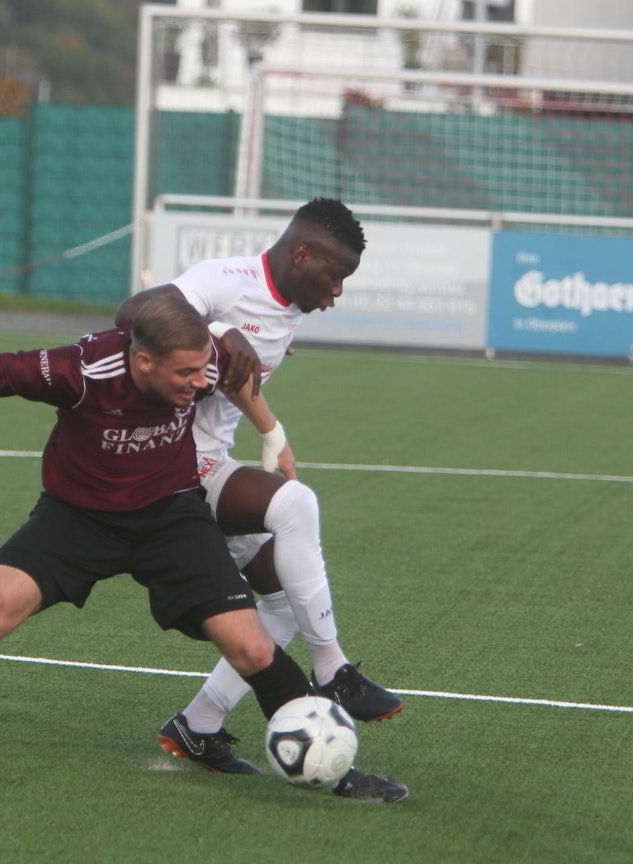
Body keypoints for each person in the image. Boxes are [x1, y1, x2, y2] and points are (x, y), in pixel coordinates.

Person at [0, 293, 407, 802]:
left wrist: (272, 432)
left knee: (253, 647)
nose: (198, 383)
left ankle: (338, 773)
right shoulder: (82, 369)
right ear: (143, 361)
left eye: (202, 369)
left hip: (171, 518)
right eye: (185, 373)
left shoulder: (204, 359)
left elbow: (233, 377)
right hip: (77, 519)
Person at [115, 198, 403, 779]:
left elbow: (238, 373)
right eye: (335, 276)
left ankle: (198, 725)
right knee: (295, 505)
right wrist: (219, 329)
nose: (336, 293)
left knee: (283, 600)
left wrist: (273, 433)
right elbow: (133, 312)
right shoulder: (226, 280)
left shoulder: (288, 308)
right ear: (302, 255)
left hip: (205, 461)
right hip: (172, 467)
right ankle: (333, 670)